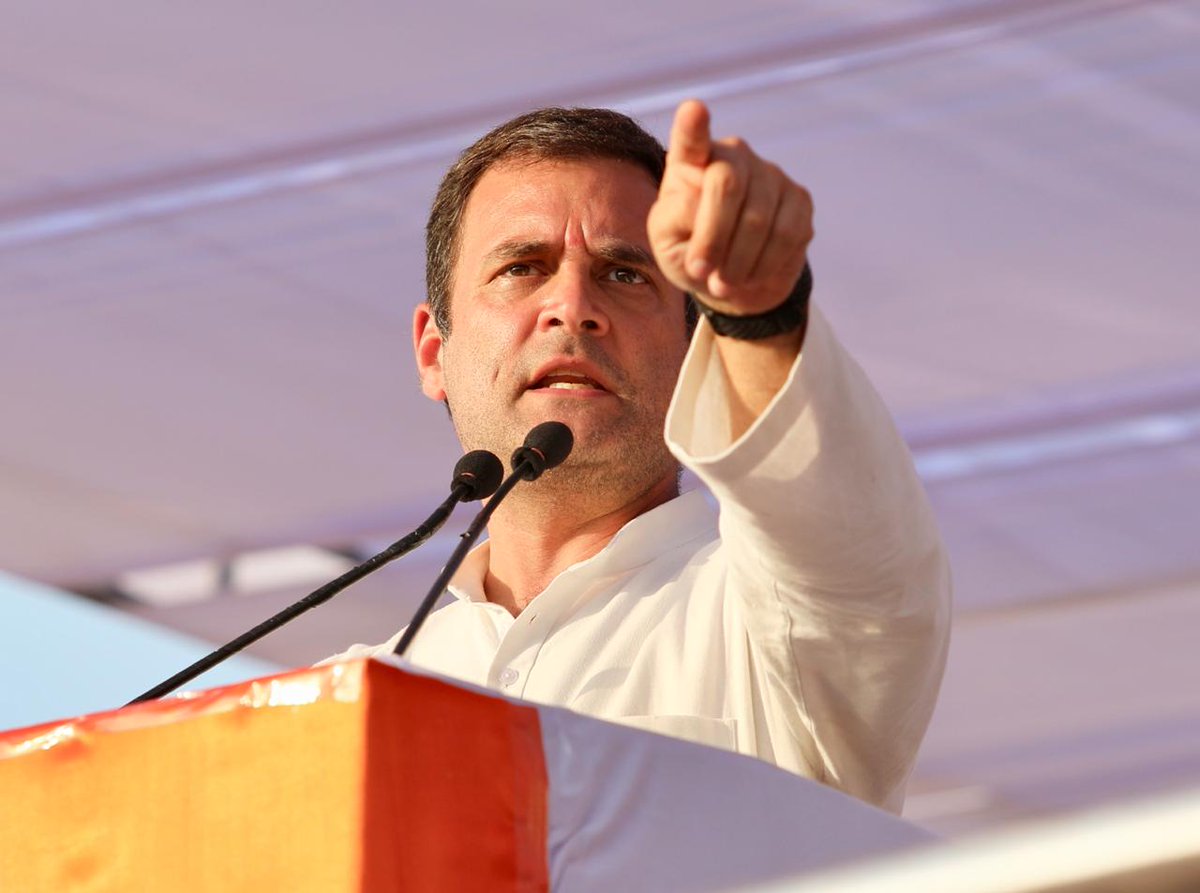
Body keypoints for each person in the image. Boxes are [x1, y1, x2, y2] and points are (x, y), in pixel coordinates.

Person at [329, 99, 951, 813]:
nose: (571, 305)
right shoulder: (344, 702)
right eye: (522, 267)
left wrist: (761, 311)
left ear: (696, 355)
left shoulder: (774, 623)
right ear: (434, 351)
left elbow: (852, 537)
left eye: (625, 274)